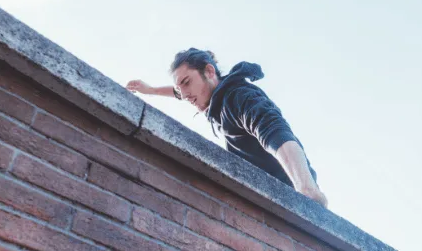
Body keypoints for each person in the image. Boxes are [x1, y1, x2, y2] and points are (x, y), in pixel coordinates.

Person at [126, 48, 327, 207]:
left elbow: (275, 132)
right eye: (181, 89)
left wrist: (306, 188)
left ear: (209, 71)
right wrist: (151, 90)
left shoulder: (237, 97)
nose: (185, 95)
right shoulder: (213, 99)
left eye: (187, 83)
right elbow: (178, 91)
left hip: (293, 196)